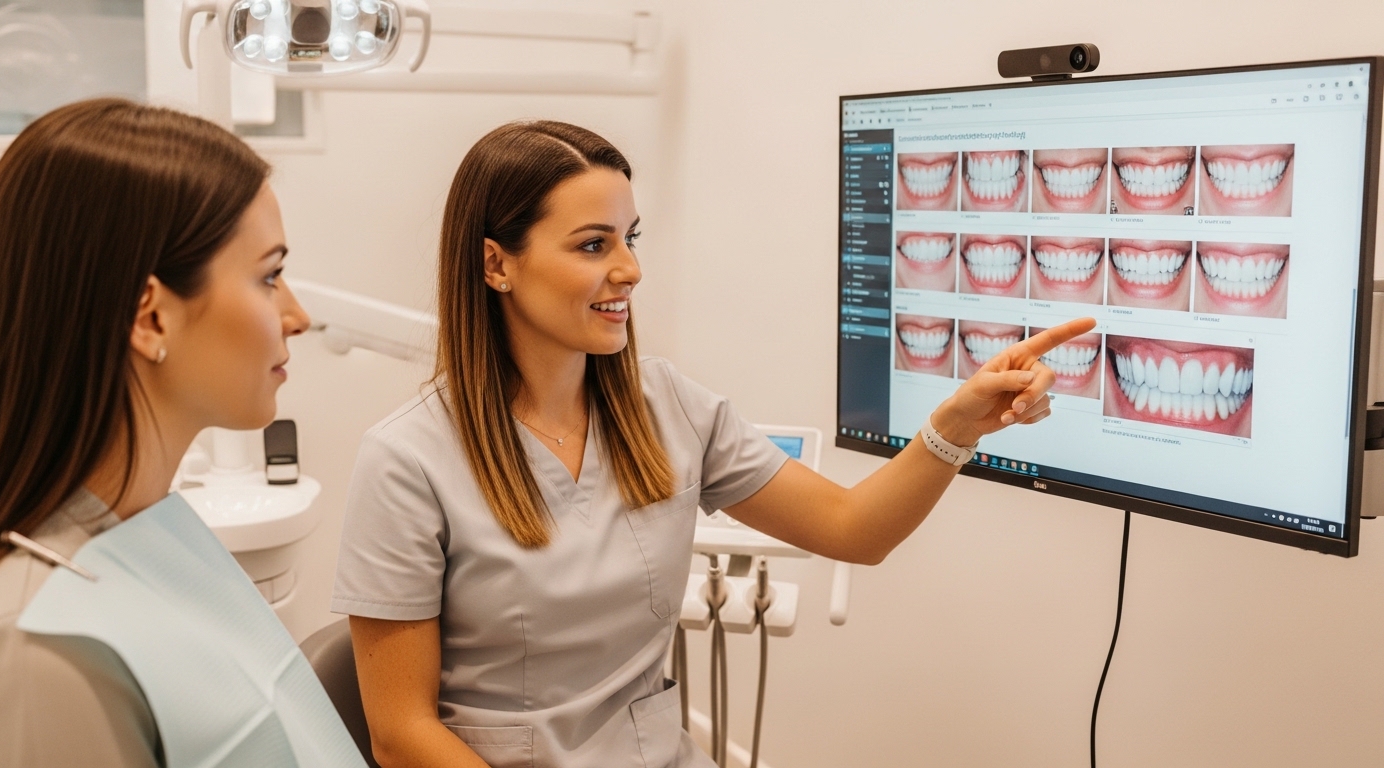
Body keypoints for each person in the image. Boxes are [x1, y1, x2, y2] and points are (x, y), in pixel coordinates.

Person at [332, 120, 1095, 768]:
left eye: (629, 239)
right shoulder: (408, 462)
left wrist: (959, 421)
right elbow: (402, 738)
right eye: (593, 245)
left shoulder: (665, 406)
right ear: (498, 262)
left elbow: (854, 531)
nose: (629, 270)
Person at [0, 99, 327, 765]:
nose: (298, 315)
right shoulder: (38, 648)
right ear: (152, 319)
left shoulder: (148, 534)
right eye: (270, 276)